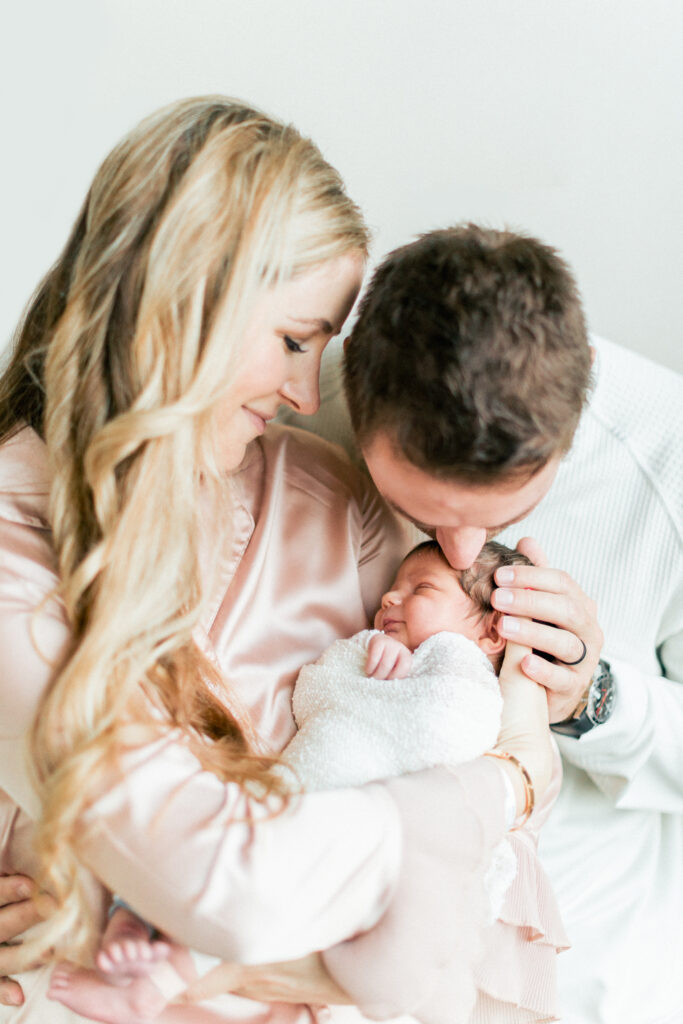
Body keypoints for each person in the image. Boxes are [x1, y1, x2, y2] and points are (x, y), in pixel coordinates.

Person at [0, 101, 557, 1024]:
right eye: (295, 341)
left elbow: (469, 744)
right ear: (183, 304)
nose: (305, 393)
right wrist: (510, 776)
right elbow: (233, 885)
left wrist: (545, 706)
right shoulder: (17, 554)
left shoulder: (328, 496)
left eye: (322, 350)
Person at [281, 223, 683, 1024]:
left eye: (513, 512)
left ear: (582, 398)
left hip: (576, 978)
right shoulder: (292, 410)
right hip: (314, 955)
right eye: (411, 510)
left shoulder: (668, 460)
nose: (459, 551)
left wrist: (597, 701)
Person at [46, 539, 568, 1024]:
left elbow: (454, 734)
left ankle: (156, 985)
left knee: (260, 884)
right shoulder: (366, 650)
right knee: (192, 844)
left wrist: (410, 677)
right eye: (395, 584)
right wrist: (366, 667)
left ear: (493, 632)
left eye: (421, 589)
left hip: (367, 836)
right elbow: (313, 693)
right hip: (294, 794)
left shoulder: (473, 686)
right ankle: (130, 922)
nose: (390, 595)